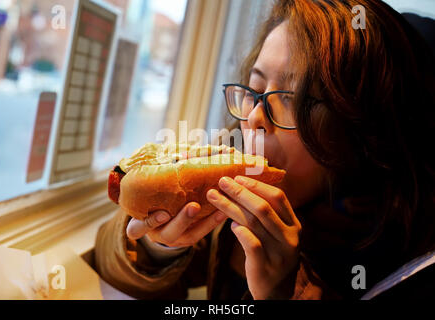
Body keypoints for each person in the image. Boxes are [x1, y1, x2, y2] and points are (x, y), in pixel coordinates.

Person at [94, 0, 434, 299]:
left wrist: (279, 295)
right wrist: (158, 248)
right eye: (255, 89)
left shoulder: (411, 271)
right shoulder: (223, 175)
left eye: (290, 99)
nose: (255, 117)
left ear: (361, 129)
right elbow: (115, 270)